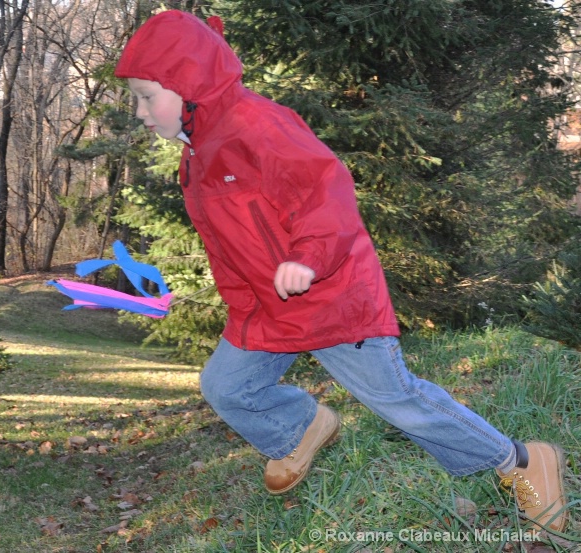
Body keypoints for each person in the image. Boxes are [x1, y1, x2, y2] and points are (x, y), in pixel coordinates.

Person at [114, 10, 568, 533]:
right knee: (226, 386)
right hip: (270, 308)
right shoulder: (197, 155)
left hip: (333, 294)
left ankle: (522, 461)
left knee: (398, 401)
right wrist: (245, 313)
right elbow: (232, 246)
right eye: (137, 100)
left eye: (149, 97)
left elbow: (323, 191)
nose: (142, 112)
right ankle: (301, 430)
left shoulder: (257, 126)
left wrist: (307, 258)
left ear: (190, 85)